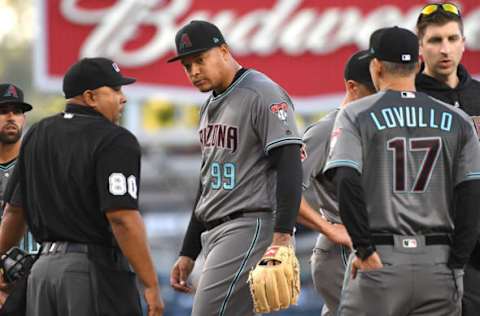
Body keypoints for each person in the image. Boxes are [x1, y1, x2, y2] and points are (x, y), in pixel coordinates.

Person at [324, 26, 480, 316]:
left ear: (376, 66)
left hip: (382, 258)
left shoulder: (355, 114)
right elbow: (472, 195)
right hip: (439, 261)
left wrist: (364, 249)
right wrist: (457, 263)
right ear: (419, 64)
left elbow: (346, 181)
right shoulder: (458, 119)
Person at [0, 57, 164, 316]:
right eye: (115, 90)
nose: (123, 98)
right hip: (88, 271)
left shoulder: (38, 133)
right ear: (90, 97)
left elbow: (13, 213)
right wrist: (151, 284)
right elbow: (122, 218)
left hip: (42, 274)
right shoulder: (115, 139)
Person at [167, 20, 303, 316]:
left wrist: (282, 236)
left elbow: (289, 161)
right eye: (187, 66)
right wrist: (189, 251)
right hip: (216, 231)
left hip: (248, 224)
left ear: (224, 50)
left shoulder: (262, 93)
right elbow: (208, 184)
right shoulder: (209, 106)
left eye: (200, 60)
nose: (194, 71)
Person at [297, 50, 375, 316]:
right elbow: (283, 191)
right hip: (340, 251)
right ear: (352, 87)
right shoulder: (324, 131)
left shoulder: (376, 128)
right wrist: (328, 228)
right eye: (375, 90)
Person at [414, 4, 480, 315]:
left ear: (464, 42)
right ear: (420, 46)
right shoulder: (406, 100)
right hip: (434, 243)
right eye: (435, 40)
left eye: (453, 39)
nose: (445, 49)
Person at [0, 84, 37, 253]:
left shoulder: (39, 164)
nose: (11, 117)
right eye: (3, 111)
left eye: (17, 112)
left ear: (24, 118)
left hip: (31, 268)